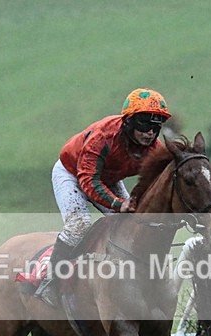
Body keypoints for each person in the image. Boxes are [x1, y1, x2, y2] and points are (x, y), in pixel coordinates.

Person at [35, 88, 172, 306]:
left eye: (155, 127)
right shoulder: (103, 137)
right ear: (129, 121)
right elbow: (88, 181)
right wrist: (119, 203)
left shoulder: (154, 148)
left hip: (108, 176)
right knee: (78, 226)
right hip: (71, 173)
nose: (150, 133)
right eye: (144, 125)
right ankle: (50, 281)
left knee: (132, 222)